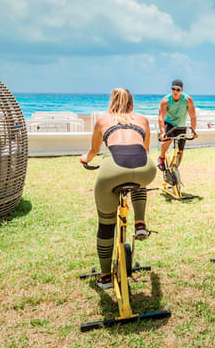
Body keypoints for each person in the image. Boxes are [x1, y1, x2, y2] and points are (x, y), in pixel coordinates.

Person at [80, 88, 156, 289]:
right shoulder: (142, 120)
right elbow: (146, 149)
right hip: (145, 168)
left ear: (111, 104)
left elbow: (94, 151)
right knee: (139, 181)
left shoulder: (102, 121)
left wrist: (84, 159)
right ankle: (140, 223)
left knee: (106, 225)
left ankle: (105, 277)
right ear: (132, 105)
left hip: (112, 170)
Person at [157, 79, 198, 171]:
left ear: (182, 90)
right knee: (167, 140)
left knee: (180, 151)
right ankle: (161, 158)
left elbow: (193, 117)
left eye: (178, 90)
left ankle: (174, 171)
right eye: (173, 89)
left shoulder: (187, 100)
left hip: (181, 126)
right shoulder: (165, 100)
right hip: (169, 123)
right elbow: (161, 117)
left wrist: (193, 131)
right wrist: (162, 132)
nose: (175, 91)